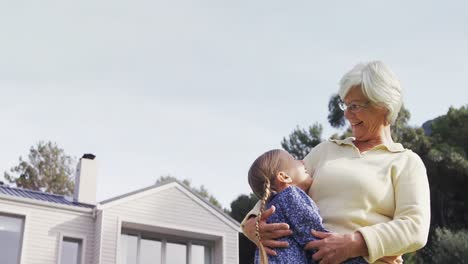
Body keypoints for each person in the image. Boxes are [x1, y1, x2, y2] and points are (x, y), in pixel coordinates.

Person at [241, 61, 431, 264]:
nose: (347, 114)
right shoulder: (325, 151)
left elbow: (415, 227)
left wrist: (353, 243)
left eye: (355, 106)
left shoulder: (406, 162)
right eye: (345, 105)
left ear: (383, 105)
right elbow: (278, 189)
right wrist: (253, 225)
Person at [248, 149, 366, 264]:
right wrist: (354, 258)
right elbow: (314, 235)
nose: (303, 161)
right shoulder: (290, 196)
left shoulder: (273, 205)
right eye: (295, 159)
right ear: (284, 177)